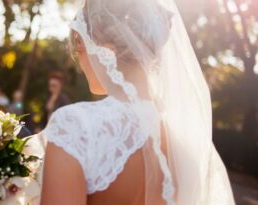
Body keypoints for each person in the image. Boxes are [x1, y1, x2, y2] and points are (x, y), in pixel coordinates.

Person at [37, 0, 235, 205]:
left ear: (91, 45)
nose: (80, 63)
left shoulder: (77, 126)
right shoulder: (188, 144)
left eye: (77, 47)